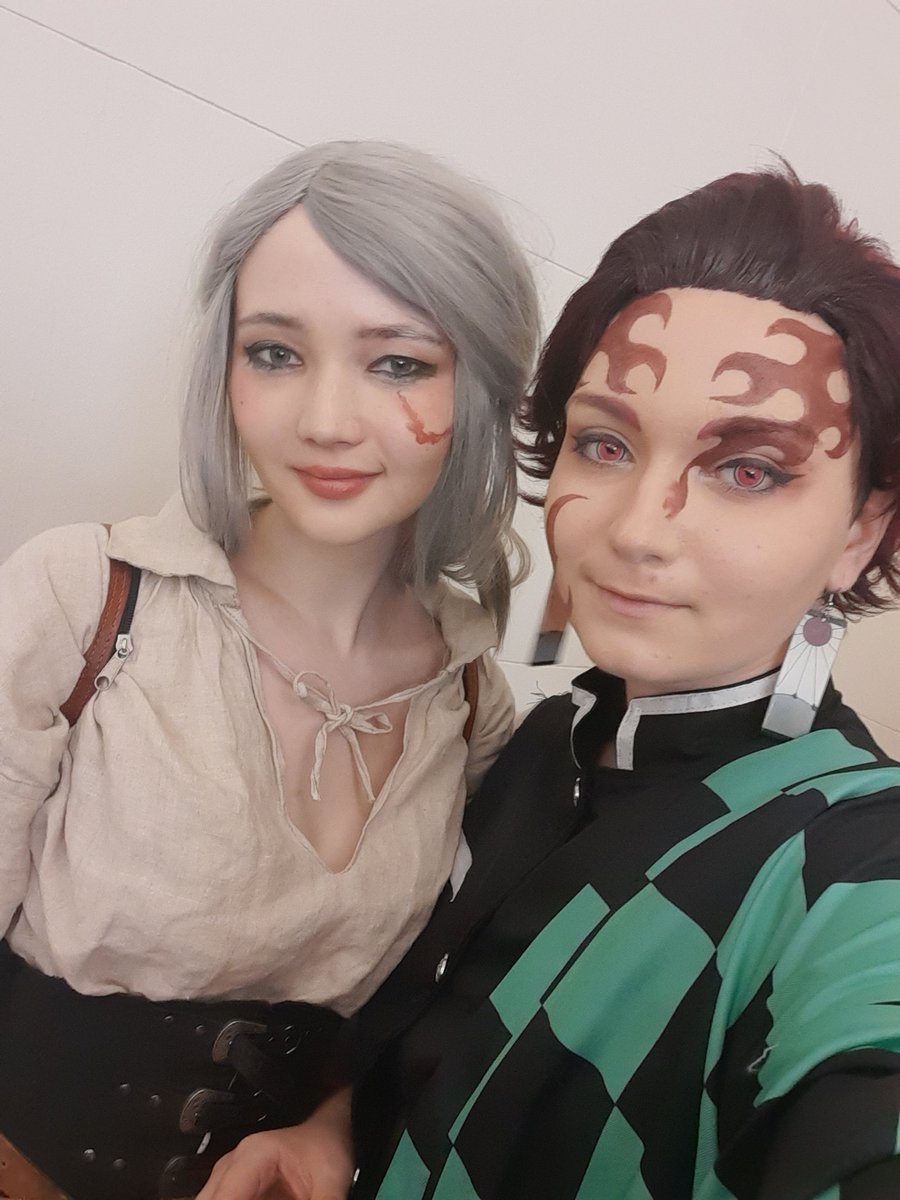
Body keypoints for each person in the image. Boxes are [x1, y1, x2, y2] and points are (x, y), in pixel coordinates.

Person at [200, 163, 900, 1200]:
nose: (637, 529)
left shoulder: (854, 860)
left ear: (862, 530)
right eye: (605, 444)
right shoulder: (541, 742)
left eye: (748, 469)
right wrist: (337, 1129)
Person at [0, 140, 540, 1200]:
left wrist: (336, 1125)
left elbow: (439, 1003)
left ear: (478, 386)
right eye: (276, 352)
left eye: (399, 363)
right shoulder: (82, 599)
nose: (325, 421)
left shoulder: (472, 702)